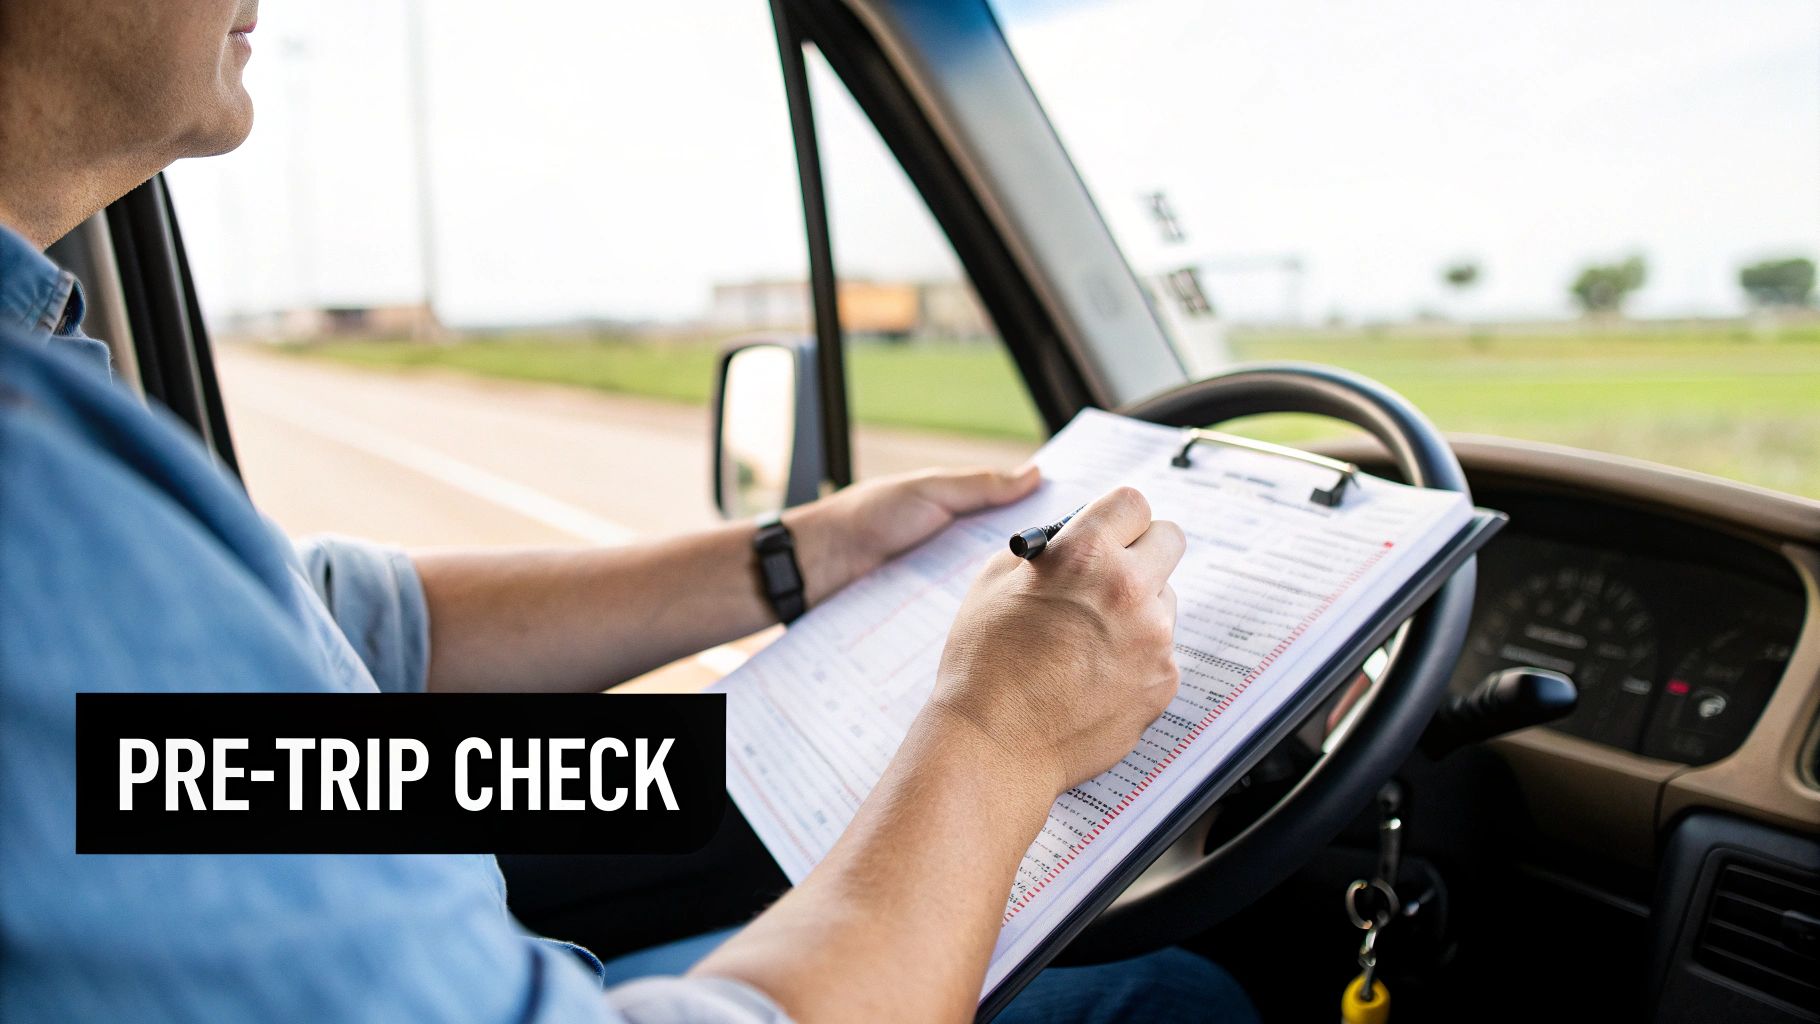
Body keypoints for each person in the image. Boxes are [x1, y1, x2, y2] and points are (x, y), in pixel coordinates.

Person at [0, 2, 1260, 1021]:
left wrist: (795, 554)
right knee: (1164, 998)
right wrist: (997, 733)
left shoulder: (47, 400)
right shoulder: (35, 497)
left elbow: (334, 632)